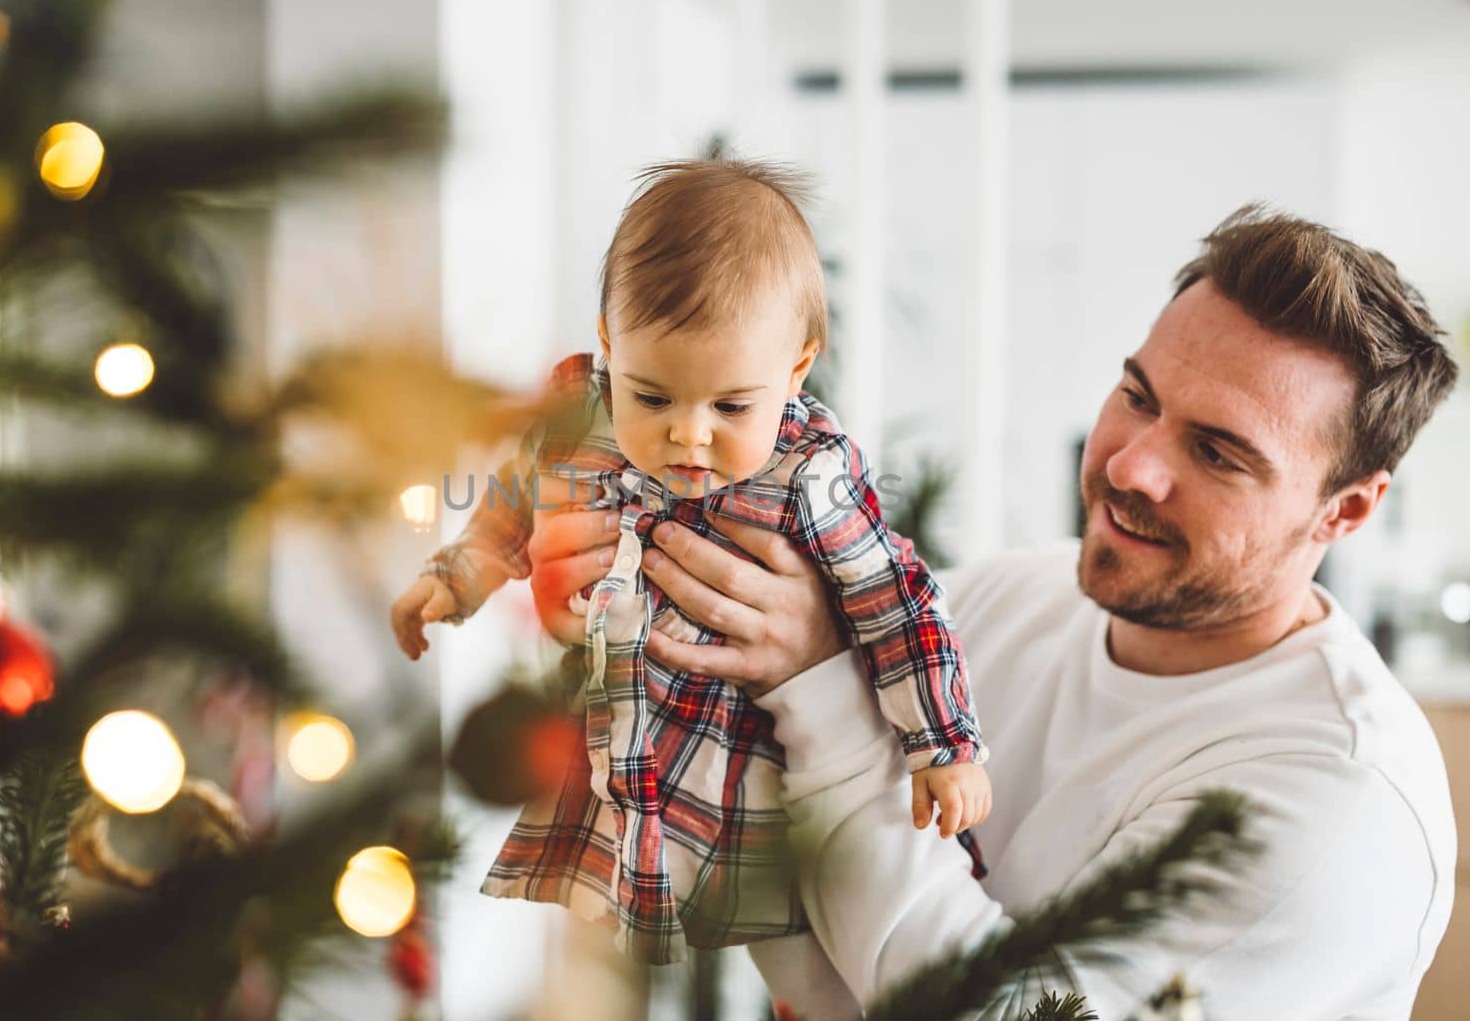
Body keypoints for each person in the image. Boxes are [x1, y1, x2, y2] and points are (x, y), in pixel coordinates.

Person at [526, 206, 1459, 1018]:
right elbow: (796, 907)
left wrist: (821, 683)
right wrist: (639, 611)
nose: (1132, 464)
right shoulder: (1008, 596)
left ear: (1343, 510)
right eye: (1138, 396)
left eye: (1218, 453)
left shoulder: (1340, 808)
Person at [390, 160, 988, 975]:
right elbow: (512, 502)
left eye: (731, 406)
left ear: (797, 370)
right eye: (654, 396)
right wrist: (455, 577)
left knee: (798, 970)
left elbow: (897, 603)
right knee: (587, 957)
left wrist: (944, 743)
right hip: (614, 765)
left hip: (744, 785)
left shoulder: (806, 475)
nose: (689, 435)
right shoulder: (584, 419)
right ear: (608, 347)